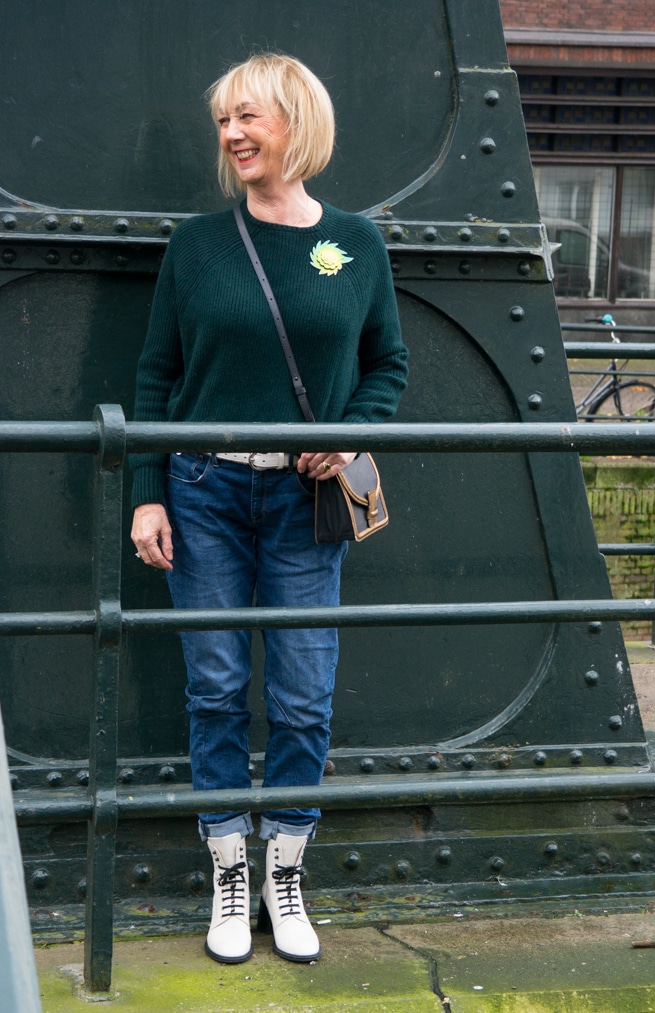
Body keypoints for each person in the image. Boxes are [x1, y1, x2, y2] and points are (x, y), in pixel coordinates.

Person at [130, 52, 408, 966]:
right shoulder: (196, 245)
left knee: (300, 691)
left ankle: (286, 866)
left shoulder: (356, 244)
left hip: (304, 496)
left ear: (298, 121)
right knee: (213, 686)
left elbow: (386, 367)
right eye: (223, 122)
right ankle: (228, 872)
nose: (233, 135)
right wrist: (147, 496)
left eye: (249, 117)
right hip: (203, 490)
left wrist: (346, 433)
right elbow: (157, 374)